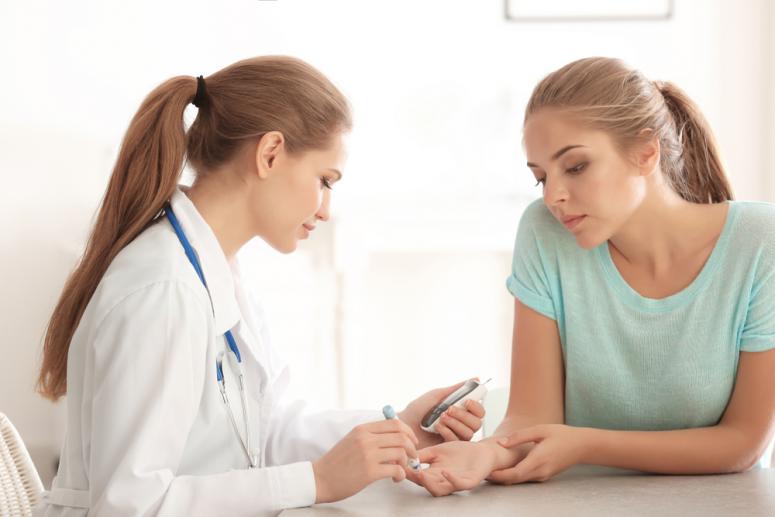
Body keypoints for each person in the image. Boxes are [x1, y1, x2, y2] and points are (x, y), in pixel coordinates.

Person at [34, 56, 485, 516]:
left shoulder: (214, 269)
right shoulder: (165, 288)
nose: (326, 209)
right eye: (324, 181)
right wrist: (319, 481)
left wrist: (401, 430)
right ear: (270, 153)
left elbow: (263, 434)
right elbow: (130, 505)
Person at [413, 57, 775, 496]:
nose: (553, 196)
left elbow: (741, 443)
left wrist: (585, 444)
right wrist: (486, 454)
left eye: (576, 166)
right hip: (572, 502)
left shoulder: (760, 243)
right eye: (540, 178)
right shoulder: (545, 234)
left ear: (646, 151)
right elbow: (532, 419)